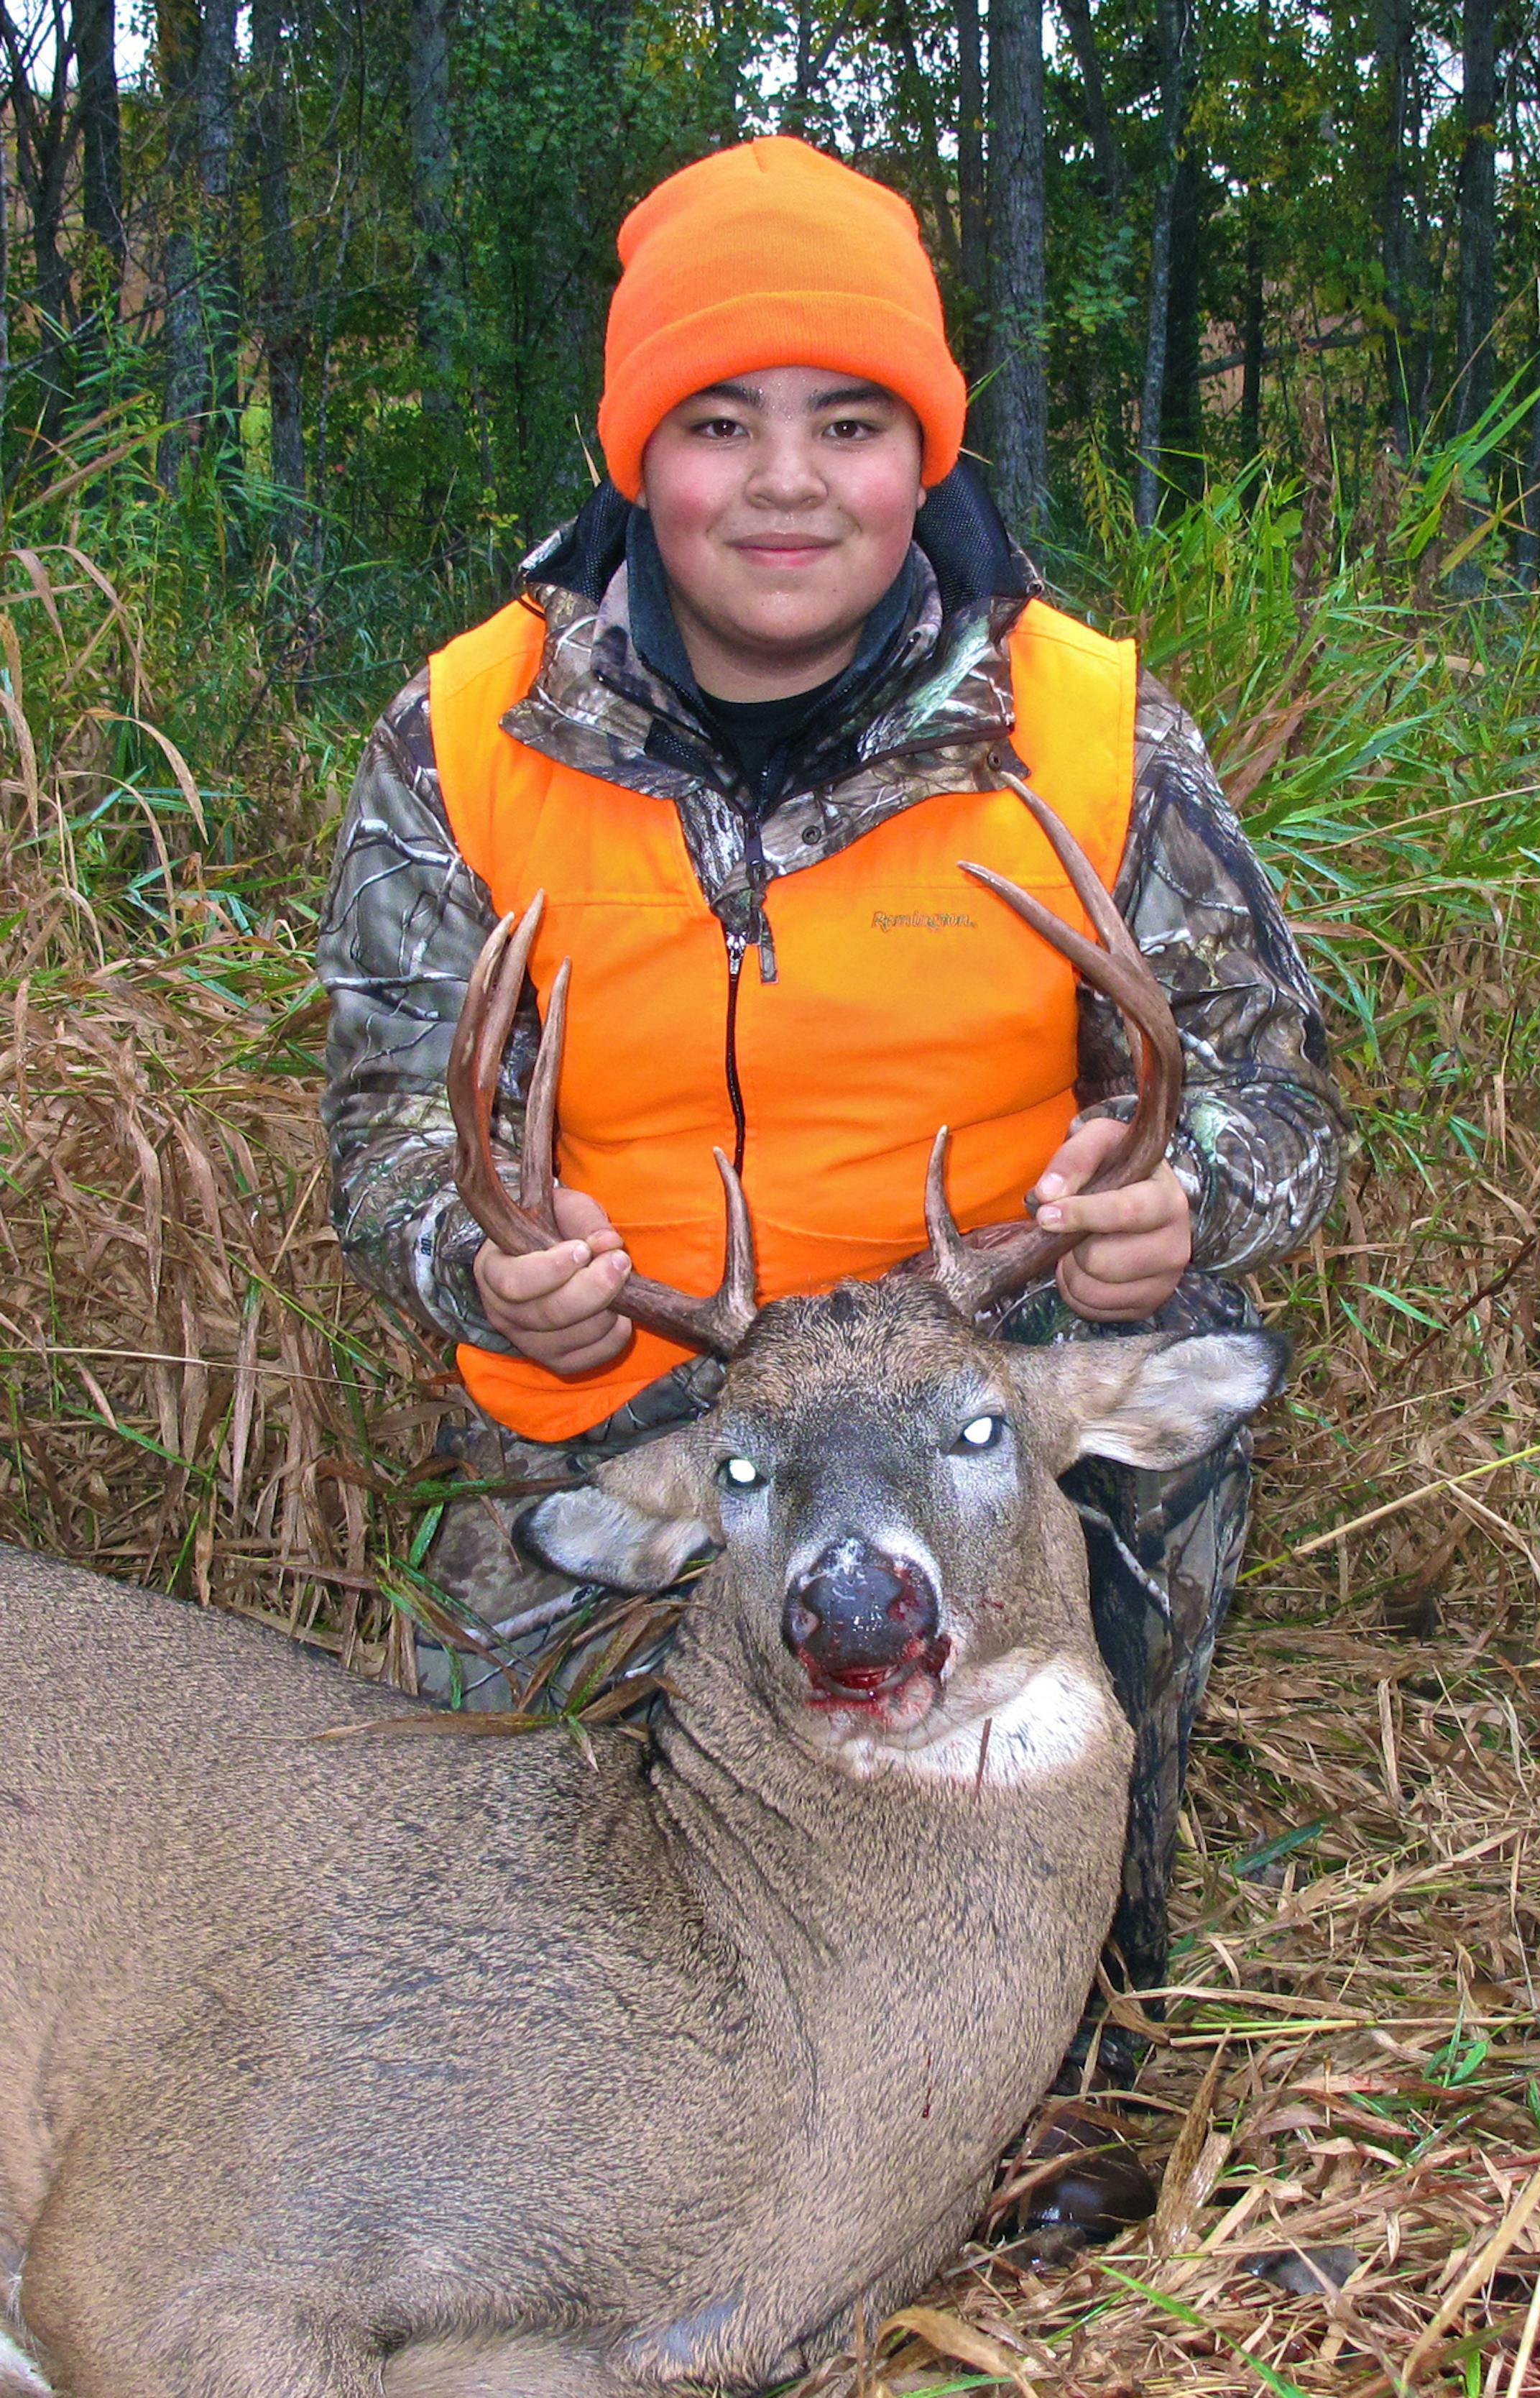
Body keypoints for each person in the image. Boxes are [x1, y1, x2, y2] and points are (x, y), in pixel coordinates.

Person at [320, 137, 1343, 2049]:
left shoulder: (1088, 724)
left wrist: (1179, 1199)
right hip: (643, 1380)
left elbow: (1276, 1088)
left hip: (967, 1366)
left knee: (1174, 1377)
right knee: (468, 1943)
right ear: (639, 454)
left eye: (853, 422)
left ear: (924, 457)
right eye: (717, 421)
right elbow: (385, 1111)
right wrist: (483, 1260)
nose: (786, 482)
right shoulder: (471, 730)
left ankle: (1075, 1997)